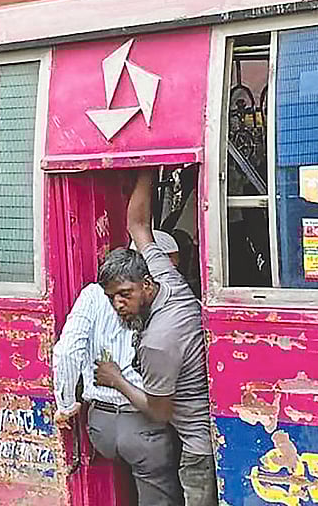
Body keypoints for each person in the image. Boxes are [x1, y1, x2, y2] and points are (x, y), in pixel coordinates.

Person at [95, 170, 215, 506]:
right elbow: (137, 225)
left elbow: (160, 412)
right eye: (112, 297)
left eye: (125, 294)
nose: (119, 304)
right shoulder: (168, 281)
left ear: (145, 285)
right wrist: (148, 166)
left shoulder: (157, 341)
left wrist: (115, 379)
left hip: (197, 447)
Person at [52, 229, 186, 506]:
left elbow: (66, 351)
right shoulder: (155, 299)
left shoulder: (91, 295)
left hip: (101, 428)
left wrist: (66, 405)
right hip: (144, 426)